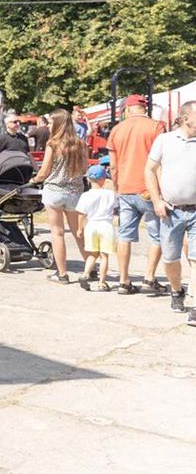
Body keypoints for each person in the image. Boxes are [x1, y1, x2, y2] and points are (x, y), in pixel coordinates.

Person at [107, 93, 166, 295]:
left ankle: (124, 281)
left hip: (125, 188)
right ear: (143, 108)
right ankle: (149, 277)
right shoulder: (156, 127)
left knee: (124, 235)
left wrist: (116, 186)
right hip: (150, 190)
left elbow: (113, 167)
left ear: (127, 109)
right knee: (157, 236)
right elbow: (162, 160)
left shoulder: (116, 130)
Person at [144, 100, 196, 322]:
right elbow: (149, 169)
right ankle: (177, 291)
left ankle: (194, 305)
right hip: (170, 211)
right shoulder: (165, 140)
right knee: (171, 259)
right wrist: (156, 200)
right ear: (186, 118)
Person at [32, 108, 89, 283]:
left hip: (55, 192)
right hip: (74, 193)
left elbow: (44, 171)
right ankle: (90, 267)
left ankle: (62, 273)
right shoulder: (80, 143)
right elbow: (85, 168)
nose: (48, 125)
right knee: (78, 233)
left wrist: (35, 179)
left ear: (57, 124)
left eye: (50, 122)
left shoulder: (53, 144)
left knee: (57, 234)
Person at [75, 164, 118, 291]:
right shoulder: (110, 194)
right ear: (104, 179)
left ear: (88, 179)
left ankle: (85, 274)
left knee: (92, 255)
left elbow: (81, 215)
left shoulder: (85, 196)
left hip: (91, 226)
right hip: (106, 226)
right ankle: (102, 283)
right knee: (104, 256)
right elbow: (115, 207)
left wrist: (79, 229)